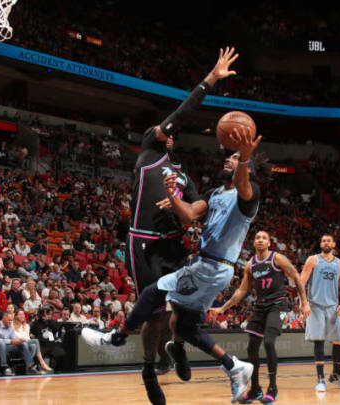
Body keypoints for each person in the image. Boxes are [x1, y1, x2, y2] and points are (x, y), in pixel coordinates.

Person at [83, 120, 264, 403]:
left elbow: (244, 184)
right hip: (212, 267)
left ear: (248, 169)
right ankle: (235, 366)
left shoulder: (249, 194)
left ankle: (115, 339)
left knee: (152, 292)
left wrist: (245, 157)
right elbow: (190, 213)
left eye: (236, 158)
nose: (229, 160)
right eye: (230, 157)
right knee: (183, 326)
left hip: (212, 266)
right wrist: (171, 194)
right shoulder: (215, 193)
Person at [119, 48, 239, 405]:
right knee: (155, 314)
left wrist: (179, 204)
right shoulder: (148, 154)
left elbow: (200, 209)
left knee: (182, 312)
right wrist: (211, 80)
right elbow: (182, 113)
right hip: (144, 242)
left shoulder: (184, 175)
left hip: (175, 245)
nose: (166, 132)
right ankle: (150, 368)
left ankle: (176, 347)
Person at [210, 231, 311, 403]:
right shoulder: (250, 264)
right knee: (251, 348)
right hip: (260, 305)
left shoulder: (278, 258)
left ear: (269, 243)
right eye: (257, 238)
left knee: (269, 342)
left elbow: (296, 276)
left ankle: (273, 388)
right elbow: (242, 290)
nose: (260, 240)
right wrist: (222, 308)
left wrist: (305, 302)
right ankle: (255, 389)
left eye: (264, 238)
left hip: (279, 305)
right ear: (254, 242)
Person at [300, 234, 340, 391]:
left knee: (338, 340)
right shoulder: (313, 260)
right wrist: (304, 304)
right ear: (320, 243)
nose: (326, 242)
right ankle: (320, 379)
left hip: (333, 307)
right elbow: (301, 283)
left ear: (334, 244)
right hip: (315, 305)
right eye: (323, 240)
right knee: (319, 340)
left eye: (328, 240)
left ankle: (336, 375)